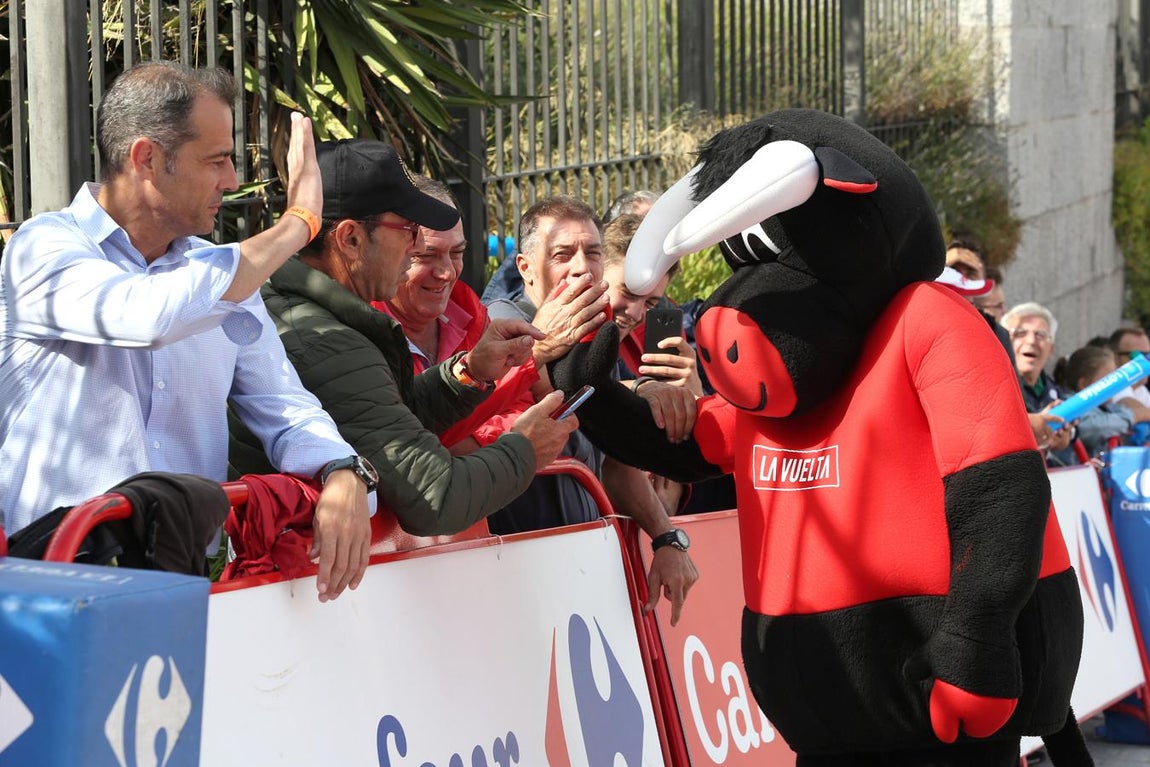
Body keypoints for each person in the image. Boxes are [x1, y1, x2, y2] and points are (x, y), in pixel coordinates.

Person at [0, 61, 370, 600]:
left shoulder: (218, 272)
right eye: (216, 160)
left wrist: (342, 470)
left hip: (180, 583)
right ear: (146, 158)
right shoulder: (42, 248)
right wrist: (298, 225)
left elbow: (284, 404)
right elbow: (144, 316)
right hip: (48, 582)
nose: (232, 181)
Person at [229, 139, 577, 541]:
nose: (416, 248)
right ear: (350, 238)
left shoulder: (311, 313)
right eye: (408, 231)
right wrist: (525, 450)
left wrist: (467, 373)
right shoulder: (323, 340)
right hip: (299, 585)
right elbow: (435, 499)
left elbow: (386, 415)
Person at [485, 194, 699, 624]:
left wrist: (666, 539)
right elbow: (561, 392)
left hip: (585, 569)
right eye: (563, 254)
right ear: (525, 269)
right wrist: (639, 389)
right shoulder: (497, 323)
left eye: (593, 253)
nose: (582, 266)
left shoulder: (596, 340)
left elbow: (616, 462)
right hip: (511, 580)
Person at [1001, 302, 1074, 461]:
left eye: (1040, 335)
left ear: (1052, 349)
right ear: (1003, 342)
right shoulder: (994, 388)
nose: (1031, 341)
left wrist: (1066, 436)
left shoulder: (1055, 392)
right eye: (1020, 333)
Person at [1053, 345, 1136, 458]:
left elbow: (1124, 411)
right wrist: (1128, 418)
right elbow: (1095, 427)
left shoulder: (1106, 407)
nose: (1115, 384)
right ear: (1083, 384)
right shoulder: (1070, 404)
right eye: (1109, 380)